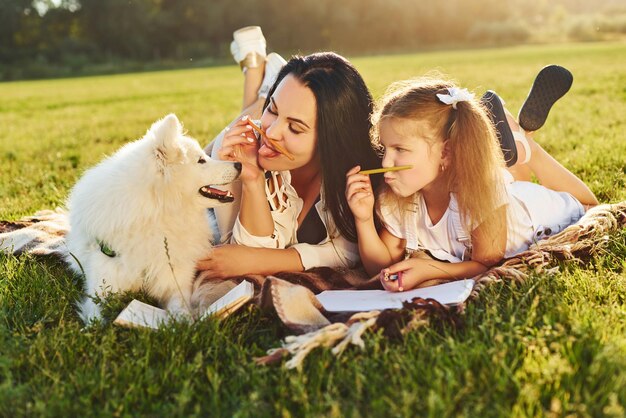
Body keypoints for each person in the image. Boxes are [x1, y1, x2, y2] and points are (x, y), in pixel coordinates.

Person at [345, 75, 598, 292]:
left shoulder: (479, 196)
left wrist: (430, 270)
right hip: (505, 200)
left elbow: (486, 264)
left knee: (589, 206)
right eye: (384, 147)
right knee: (507, 182)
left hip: (536, 213)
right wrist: (364, 219)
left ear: (445, 153)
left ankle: (527, 148)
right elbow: (381, 266)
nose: (386, 161)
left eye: (400, 149)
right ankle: (514, 141)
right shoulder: (401, 197)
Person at [198, 27, 382, 278]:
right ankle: (263, 88)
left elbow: (348, 250)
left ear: (331, 141)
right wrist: (252, 181)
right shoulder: (235, 154)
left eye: (295, 127)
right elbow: (245, 256)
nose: (272, 133)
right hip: (219, 165)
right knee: (210, 149)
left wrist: (284, 259)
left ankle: (261, 82)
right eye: (272, 109)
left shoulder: (359, 172)